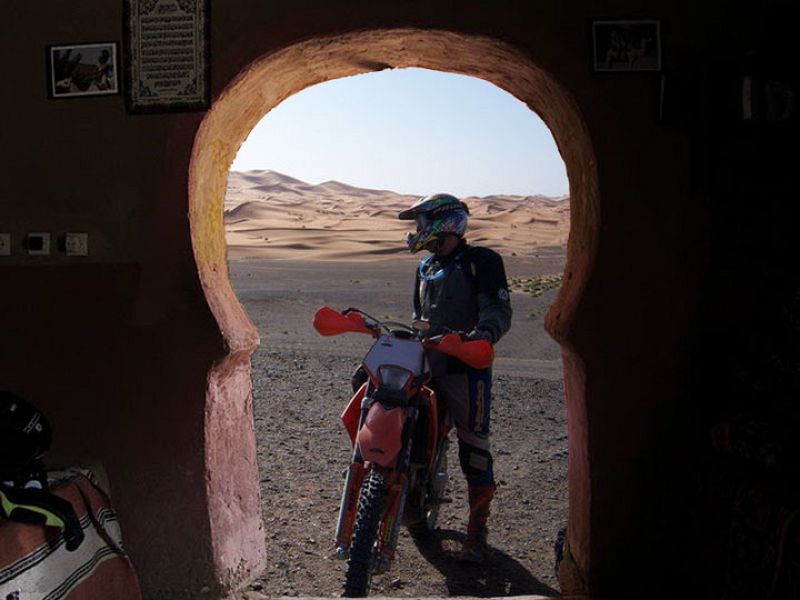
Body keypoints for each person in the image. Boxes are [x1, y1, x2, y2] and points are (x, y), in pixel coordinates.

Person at [399, 193, 512, 563]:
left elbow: (498, 309)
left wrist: (482, 334)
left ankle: (477, 533)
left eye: (421, 222)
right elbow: (419, 316)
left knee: (474, 449)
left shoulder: (481, 261)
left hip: (464, 367)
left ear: (444, 223)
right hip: (427, 363)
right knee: (402, 420)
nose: (416, 230)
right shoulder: (426, 267)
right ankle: (406, 503)